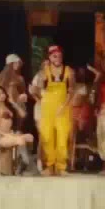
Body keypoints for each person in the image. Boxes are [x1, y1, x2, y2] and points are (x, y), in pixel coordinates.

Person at [30, 46, 75, 176]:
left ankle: (61, 167)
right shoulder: (45, 71)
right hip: (47, 108)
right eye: (55, 56)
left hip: (63, 108)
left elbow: (71, 91)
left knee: (62, 137)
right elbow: (37, 88)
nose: (58, 58)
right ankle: (49, 166)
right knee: (47, 137)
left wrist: (64, 106)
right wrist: (39, 96)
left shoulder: (69, 71)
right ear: (49, 57)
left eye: (60, 56)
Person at [0, 86, 35, 153]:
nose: (2, 95)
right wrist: (5, 134)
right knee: (20, 140)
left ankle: (17, 140)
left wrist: (13, 103)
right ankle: (17, 141)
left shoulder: (8, 106)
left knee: (30, 137)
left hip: (9, 134)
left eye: (3, 92)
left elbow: (23, 115)